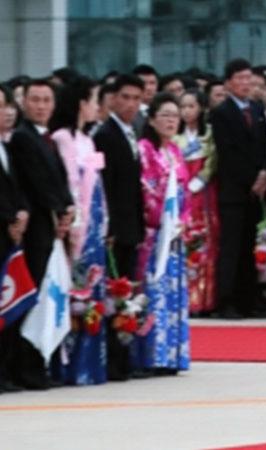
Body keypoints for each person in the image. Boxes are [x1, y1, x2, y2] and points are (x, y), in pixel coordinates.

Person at [8, 79, 75, 389]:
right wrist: (59, 209)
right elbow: (38, 183)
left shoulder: (47, 138)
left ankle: (38, 364)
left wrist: (68, 207)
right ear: (24, 103)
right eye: (35, 100)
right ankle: (24, 367)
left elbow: (59, 180)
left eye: (47, 100)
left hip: (50, 228)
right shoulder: (22, 138)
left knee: (48, 293)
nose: (41, 106)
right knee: (33, 295)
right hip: (35, 228)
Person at [50, 76, 110, 384]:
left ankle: (90, 364)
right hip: (77, 224)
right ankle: (68, 363)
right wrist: (75, 227)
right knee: (74, 291)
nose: (97, 106)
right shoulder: (62, 138)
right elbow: (70, 184)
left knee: (93, 292)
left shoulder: (88, 139)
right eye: (94, 100)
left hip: (95, 223)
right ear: (80, 103)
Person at [132, 92, 190, 375]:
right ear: (152, 119)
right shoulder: (145, 149)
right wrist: (163, 219)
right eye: (165, 115)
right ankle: (151, 355)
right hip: (154, 235)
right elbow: (147, 189)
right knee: (153, 292)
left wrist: (183, 220)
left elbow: (185, 193)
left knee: (172, 293)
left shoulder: (175, 151)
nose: (171, 121)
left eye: (175, 116)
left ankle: (171, 356)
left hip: (174, 234)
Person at [210, 58, 266, 319]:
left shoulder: (257, 109)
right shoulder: (221, 113)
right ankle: (227, 301)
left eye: (249, 78)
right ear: (228, 83)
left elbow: (265, 146)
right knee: (231, 248)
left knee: (250, 247)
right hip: (234, 191)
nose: (246, 83)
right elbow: (228, 153)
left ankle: (248, 299)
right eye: (240, 79)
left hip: (255, 192)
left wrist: (265, 172)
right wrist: (251, 179)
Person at [93, 74, 146, 380]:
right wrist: (108, 228)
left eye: (136, 99)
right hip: (115, 229)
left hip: (130, 227)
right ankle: (114, 360)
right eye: (125, 97)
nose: (130, 104)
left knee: (125, 293)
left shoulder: (131, 132)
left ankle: (124, 356)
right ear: (113, 99)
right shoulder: (106, 135)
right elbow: (106, 187)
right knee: (115, 293)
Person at [173, 89, 219, 316]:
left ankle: (205, 299)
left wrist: (201, 179)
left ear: (201, 108)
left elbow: (213, 161)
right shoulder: (175, 137)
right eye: (183, 107)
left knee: (205, 242)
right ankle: (185, 298)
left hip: (204, 193)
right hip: (181, 192)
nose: (186, 111)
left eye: (191, 106)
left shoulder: (209, 134)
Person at [0, 85, 29, 393]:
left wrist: (22, 213)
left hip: (9, 237)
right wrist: (9, 217)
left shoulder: (5, 147)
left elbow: (16, 188)